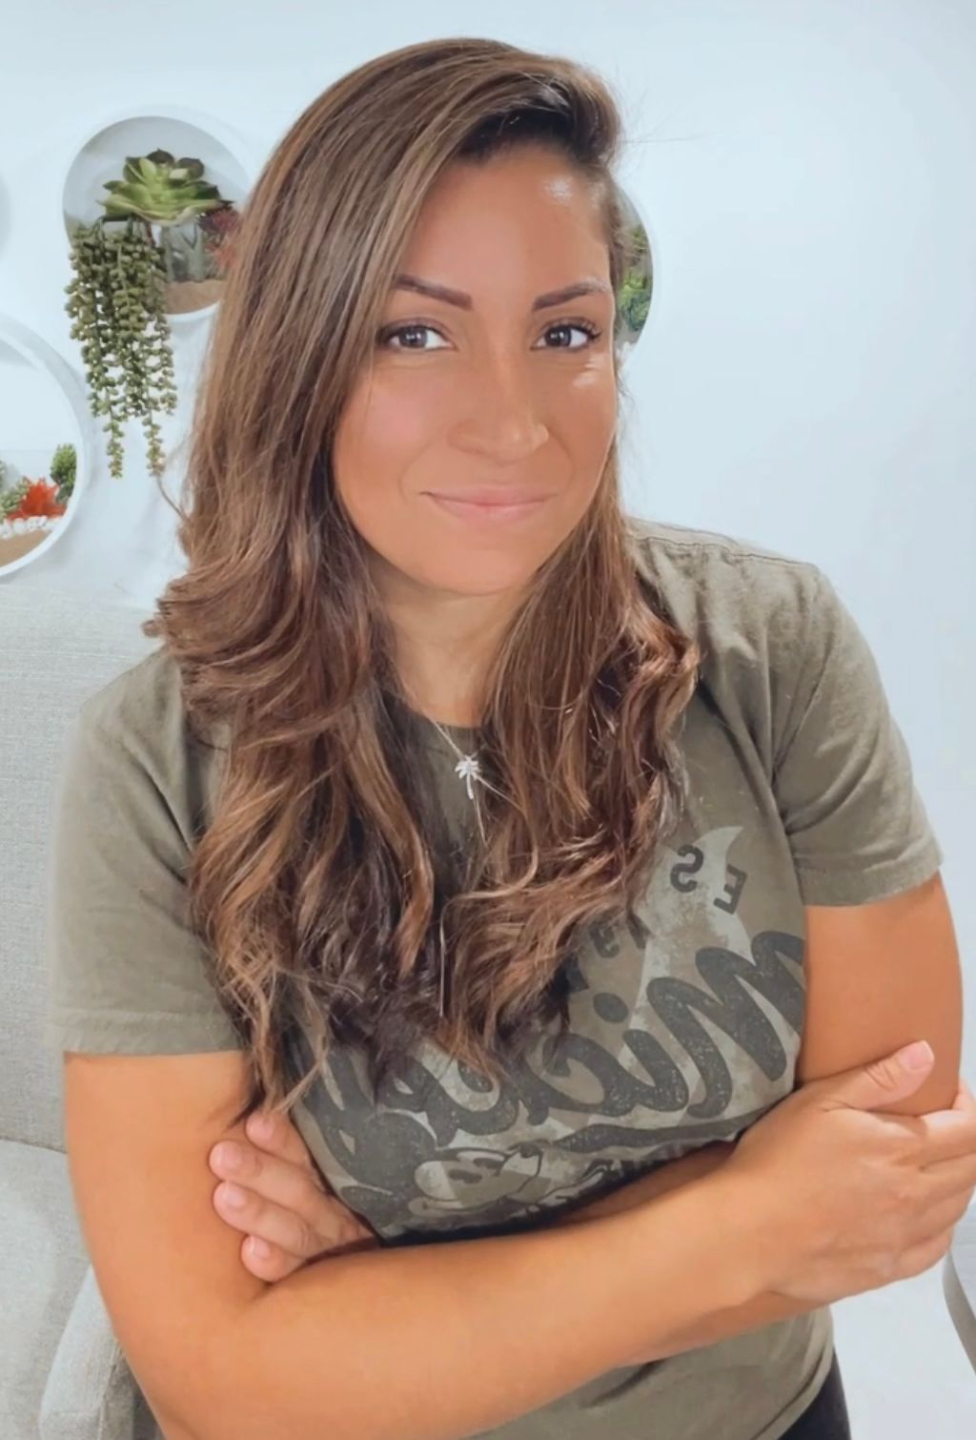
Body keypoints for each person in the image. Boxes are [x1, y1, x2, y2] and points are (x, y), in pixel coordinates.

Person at [44, 35, 957, 1440]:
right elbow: (226, 1387)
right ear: (300, 357)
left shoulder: (772, 647)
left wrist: (402, 1282)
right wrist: (751, 1217)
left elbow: (894, 1174)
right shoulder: (156, 765)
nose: (515, 423)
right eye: (414, 335)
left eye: (565, 332)